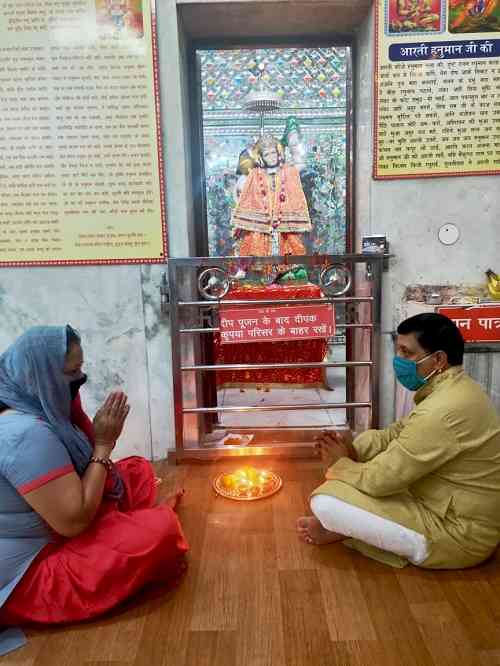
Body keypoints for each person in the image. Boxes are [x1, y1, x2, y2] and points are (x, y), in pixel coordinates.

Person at [0, 325, 188, 650]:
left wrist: (89, 430)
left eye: (80, 368)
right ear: (41, 374)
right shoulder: (23, 435)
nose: (80, 377)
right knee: (159, 532)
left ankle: (124, 523)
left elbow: (77, 463)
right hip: (24, 575)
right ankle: (127, 528)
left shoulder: (23, 394)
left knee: (136, 471)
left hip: (55, 517)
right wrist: (104, 444)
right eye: (72, 372)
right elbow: (74, 523)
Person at [297, 313, 500, 569]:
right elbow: (394, 434)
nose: (398, 361)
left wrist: (340, 463)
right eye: (398, 352)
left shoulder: (444, 409)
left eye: (407, 353)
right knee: (352, 476)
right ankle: (354, 527)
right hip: (437, 501)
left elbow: (381, 480)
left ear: (438, 359)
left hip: (460, 534)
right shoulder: (453, 390)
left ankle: (349, 529)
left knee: (325, 501)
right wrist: (353, 449)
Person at [231, 118, 312, 257]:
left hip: (284, 224)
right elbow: (243, 195)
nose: (272, 157)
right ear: (261, 158)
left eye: (273, 153)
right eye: (267, 154)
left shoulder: (288, 171)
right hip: (261, 225)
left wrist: (292, 137)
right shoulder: (255, 175)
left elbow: (301, 164)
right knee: (256, 252)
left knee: (290, 253)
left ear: (279, 153)